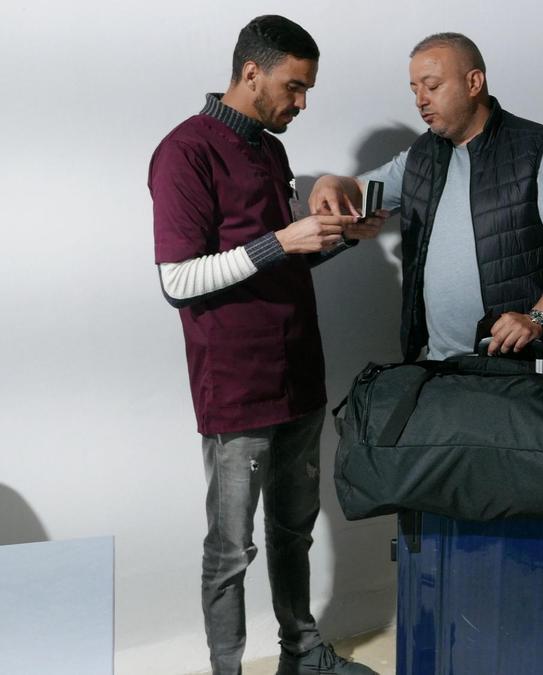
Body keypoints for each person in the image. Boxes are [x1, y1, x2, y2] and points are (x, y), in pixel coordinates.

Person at [148, 15, 379, 675]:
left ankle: (301, 653)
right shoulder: (183, 152)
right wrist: (285, 238)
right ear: (252, 72)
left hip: (299, 374)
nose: (301, 103)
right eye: (294, 86)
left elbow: (278, 263)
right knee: (230, 548)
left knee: (293, 529)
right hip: (237, 385)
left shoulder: (271, 152)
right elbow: (176, 280)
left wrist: (334, 238)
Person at [309, 33, 543, 368]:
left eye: (432, 86)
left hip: (521, 368)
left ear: (474, 82)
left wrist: (537, 320)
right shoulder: (421, 156)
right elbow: (359, 190)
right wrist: (331, 181)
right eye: (414, 89)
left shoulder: (538, 150)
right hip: (439, 367)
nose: (420, 100)